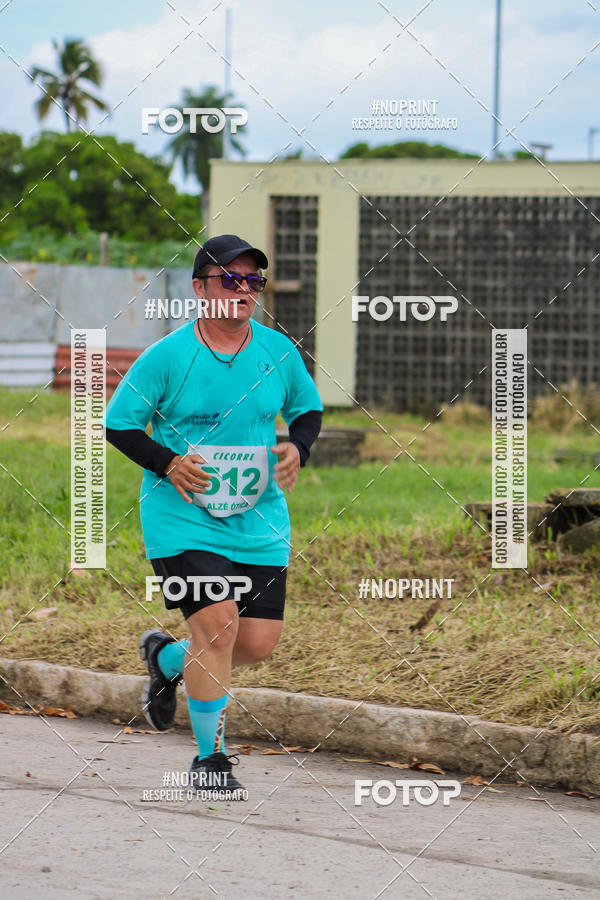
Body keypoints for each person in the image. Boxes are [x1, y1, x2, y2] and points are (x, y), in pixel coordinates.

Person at [104, 234, 323, 800]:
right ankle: (210, 760)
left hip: (259, 519)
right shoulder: (168, 358)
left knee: (255, 643)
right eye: (231, 278)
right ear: (200, 288)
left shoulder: (278, 352)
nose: (244, 290)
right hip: (183, 520)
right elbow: (120, 423)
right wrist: (168, 462)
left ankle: (165, 657)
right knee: (219, 627)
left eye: (253, 281)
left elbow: (308, 409)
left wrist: (299, 446)